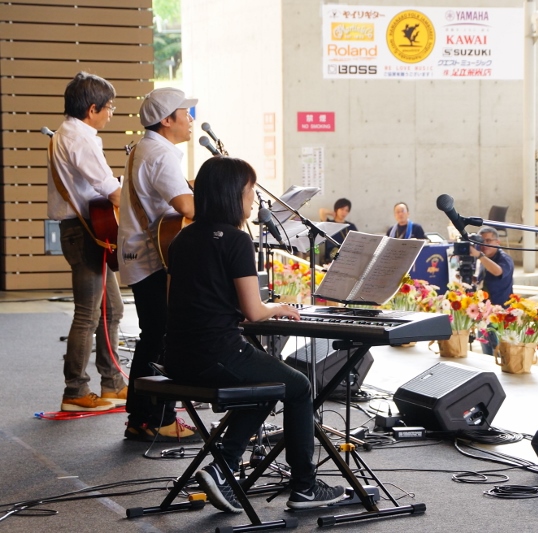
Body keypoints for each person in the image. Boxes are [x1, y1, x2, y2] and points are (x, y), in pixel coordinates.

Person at [163, 157, 346, 513]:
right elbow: (254, 311)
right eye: (249, 192)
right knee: (298, 386)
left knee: (267, 383)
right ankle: (304, 488)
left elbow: (178, 302)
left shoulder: (182, 238)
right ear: (233, 195)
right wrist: (279, 308)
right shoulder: (234, 241)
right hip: (217, 353)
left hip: (178, 357)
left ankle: (224, 467)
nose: (252, 202)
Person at [118, 88, 199, 442]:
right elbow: (188, 208)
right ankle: (157, 418)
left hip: (141, 253)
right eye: (186, 113)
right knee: (162, 338)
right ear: (167, 120)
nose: (192, 120)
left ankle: (141, 417)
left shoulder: (145, 147)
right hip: (154, 257)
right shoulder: (161, 154)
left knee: (152, 336)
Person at [47, 72, 127, 412]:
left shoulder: (68, 133)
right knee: (87, 315)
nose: (111, 113)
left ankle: (111, 383)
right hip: (84, 233)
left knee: (112, 309)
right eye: (109, 107)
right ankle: (75, 390)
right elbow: (109, 187)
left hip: (86, 230)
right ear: (92, 109)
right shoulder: (79, 138)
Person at [469, 226, 514, 355]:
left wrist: (479, 255)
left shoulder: (504, 258)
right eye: (481, 242)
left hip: (500, 315)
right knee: (487, 354)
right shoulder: (483, 258)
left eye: (488, 241)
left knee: (499, 353)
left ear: (497, 242)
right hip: (484, 314)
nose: (484, 245)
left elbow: (497, 271)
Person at [318, 197, 357, 263]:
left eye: (347, 210)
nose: (344, 212)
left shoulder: (351, 226)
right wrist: (332, 213)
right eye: (342, 209)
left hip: (348, 254)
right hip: (332, 254)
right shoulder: (329, 224)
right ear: (336, 209)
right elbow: (322, 211)